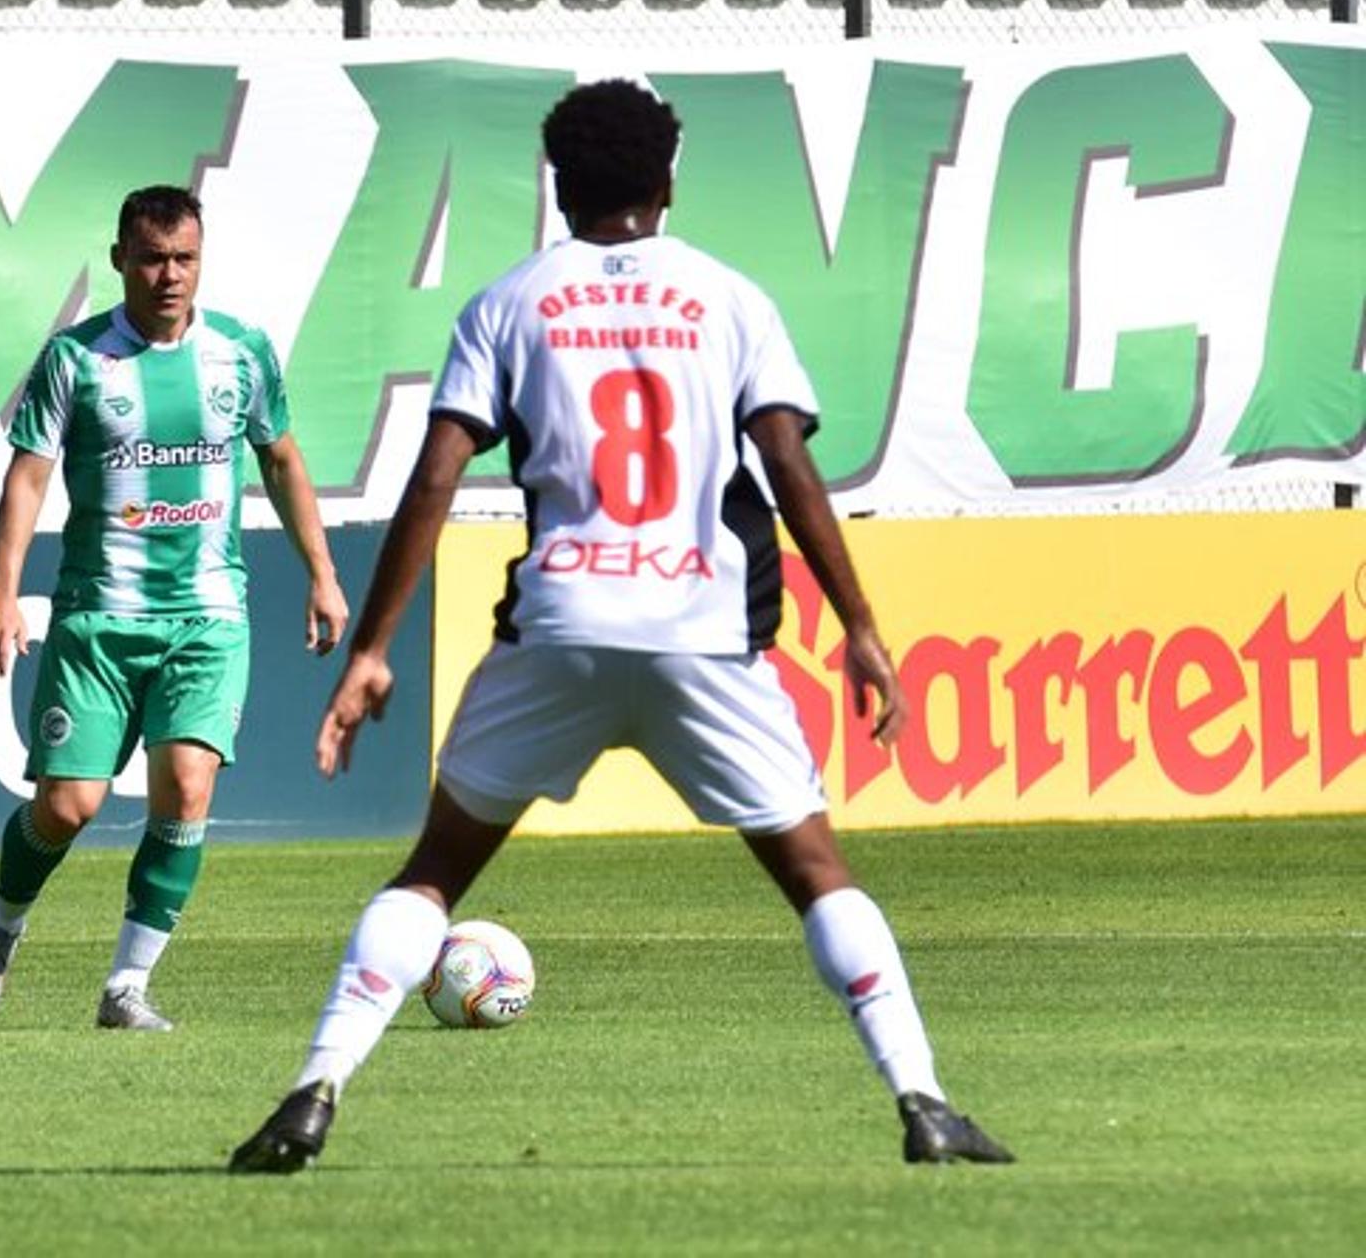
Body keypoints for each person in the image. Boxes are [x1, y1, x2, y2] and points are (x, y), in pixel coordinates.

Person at [229, 81, 1012, 1170]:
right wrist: (864, 625)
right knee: (818, 872)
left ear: (558, 186)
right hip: (703, 628)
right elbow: (787, 464)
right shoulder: (730, 299)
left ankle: (315, 1085)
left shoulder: (509, 302)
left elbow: (438, 474)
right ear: (668, 179)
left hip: (560, 623)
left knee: (435, 872)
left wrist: (371, 649)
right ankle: (924, 1100)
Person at [0, 184, 349, 1033]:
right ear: (120, 260)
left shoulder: (241, 353)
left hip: (207, 616)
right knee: (69, 807)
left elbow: (280, 459)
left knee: (188, 785)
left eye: (185, 259)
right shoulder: (77, 358)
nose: (170, 275)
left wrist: (321, 572)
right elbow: (27, 476)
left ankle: (126, 986)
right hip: (100, 617)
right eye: (153, 258)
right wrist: (0, 595)